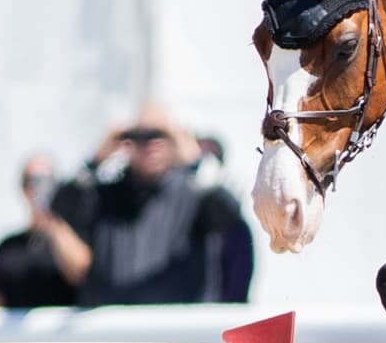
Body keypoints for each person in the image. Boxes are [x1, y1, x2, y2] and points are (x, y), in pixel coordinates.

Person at [54, 114, 253, 307]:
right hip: (112, 318)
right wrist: (94, 161)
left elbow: (230, 214)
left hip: (175, 320)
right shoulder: (105, 195)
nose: (151, 145)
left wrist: (194, 160)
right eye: (140, 137)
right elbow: (60, 209)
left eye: (160, 135)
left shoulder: (193, 194)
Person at [0, 152, 91, 310]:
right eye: (33, 181)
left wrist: (52, 218)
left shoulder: (74, 237)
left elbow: (82, 274)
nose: (39, 188)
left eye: (47, 180)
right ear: (23, 188)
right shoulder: (6, 248)